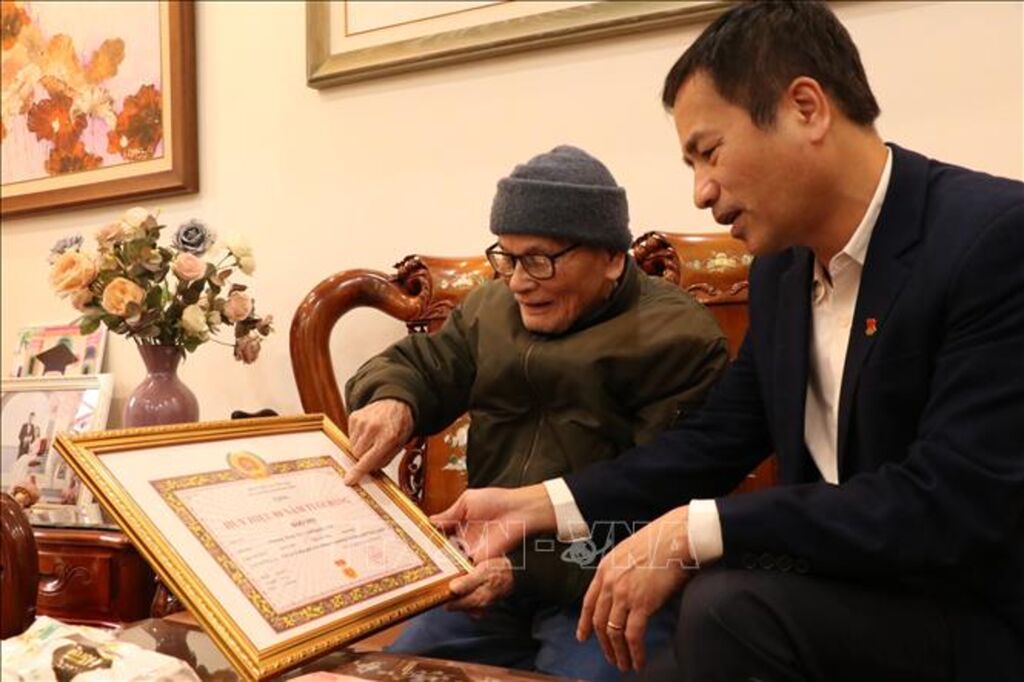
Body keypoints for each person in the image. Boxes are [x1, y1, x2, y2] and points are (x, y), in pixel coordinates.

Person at [432, 3, 1024, 681]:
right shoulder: (782, 271)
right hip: (839, 599)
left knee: (724, 607)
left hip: (973, 616)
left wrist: (698, 529)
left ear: (806, 108)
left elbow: (948, 504)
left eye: (709, 153)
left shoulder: (994, 239)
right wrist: (536, 506)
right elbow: (714, 441)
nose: (701, 192)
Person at [343, 145, 729, 680]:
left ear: (612, 258)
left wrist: (520, 570)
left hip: (606, 587)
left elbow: (661, 508)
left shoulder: (676, 338)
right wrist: (393, 399)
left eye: (540, 260)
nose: (519, 282)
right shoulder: (491, 308)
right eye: (507, 257)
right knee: (383, 674)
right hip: (488, 576)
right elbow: (424, 364)